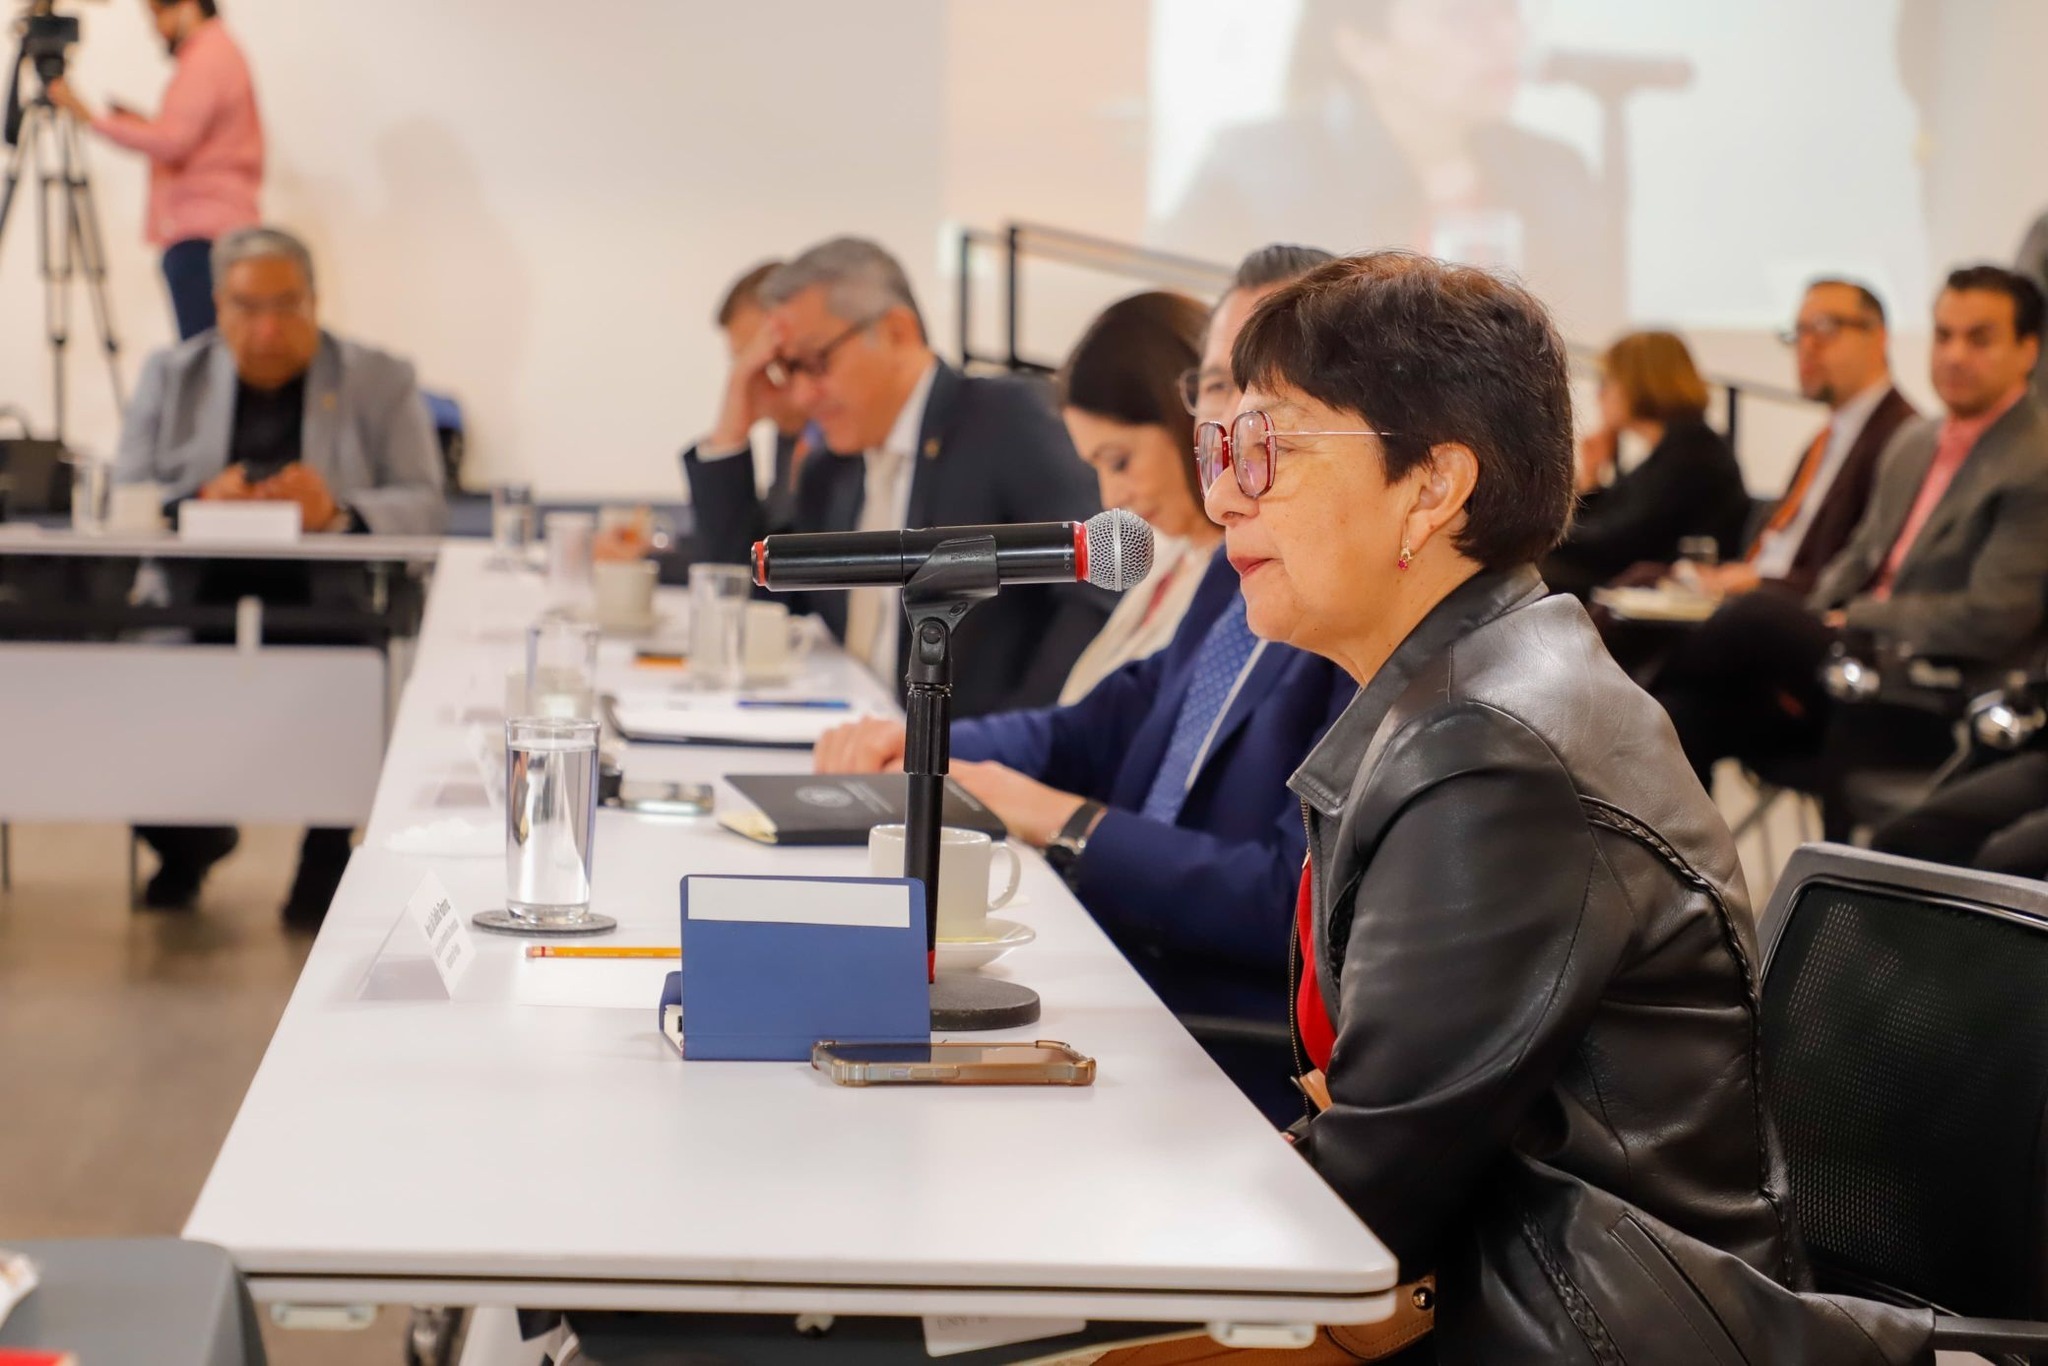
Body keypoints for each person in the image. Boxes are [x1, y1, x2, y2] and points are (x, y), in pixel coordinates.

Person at [1178, 249, 1796, 1358]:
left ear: (1432, 486)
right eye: (1221, 448)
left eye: (1268, 447)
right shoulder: (1481, 682)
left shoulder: (1489, 752)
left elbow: (1358, 1208)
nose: (1223, 492)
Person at [814, 244, 1351, 1125]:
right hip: (1123, 974)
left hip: (1200, 1042)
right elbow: (1106, 719)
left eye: (1267, 391)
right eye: (1220, 387)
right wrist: (928, 744)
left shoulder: (1347, 610)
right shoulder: (1237, 568)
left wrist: (1064, 820)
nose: (1230, 423)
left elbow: (1285, 905)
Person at [114, 225, 448, 923]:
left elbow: (426, 502)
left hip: (331, 610)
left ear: (315, 301)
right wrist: (196, 502)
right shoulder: (171, 375)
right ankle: (188, 843)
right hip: (193, 605)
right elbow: (127, 496)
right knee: (118, 693)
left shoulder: (379, 378)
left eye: (286, 306)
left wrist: (338, 513)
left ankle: (324, 859)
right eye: (247, 307)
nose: (267, 328)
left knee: (362, 693)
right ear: (218, 306)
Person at [1654, 265, 2048, 818]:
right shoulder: (1915, 442)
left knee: (1752, 615)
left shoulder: (2034, 460)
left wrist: (1855, 618)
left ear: (2028, 350)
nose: (1955, 355)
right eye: (1943, 335)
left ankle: (1614, 702)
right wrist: (1819, 619)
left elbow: (1992, 618)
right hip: (1849, 669)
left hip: (1933, 689)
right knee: (1681, 716)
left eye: (1979, 339)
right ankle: (1686, 871)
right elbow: (1858, 556)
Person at [683, 237, 1108, 717]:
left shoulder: (1003, 420)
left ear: (896, 331)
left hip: (968, 748)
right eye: (788, 370)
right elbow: (751, 590)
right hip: (854, 736)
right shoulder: (832, 469)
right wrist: (730, 427)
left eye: (815, 363)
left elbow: (1095, 589)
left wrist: (1010, 740)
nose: (800, 396)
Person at [1157, 0, 1621, 333]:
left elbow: (1585, 334)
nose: (1507, 37)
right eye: (1462, 17)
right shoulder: (1254, 170)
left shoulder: (1556, 172)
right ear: (1361, 47)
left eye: (1509, 11)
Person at [48, 0, 262, 340]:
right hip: (216, 231)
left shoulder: (207, 57)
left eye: (158, 15)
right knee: (211, 353)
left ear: (188, 7)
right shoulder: (219, 51)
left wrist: (88, 117)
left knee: (202, 355)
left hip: (203, 236)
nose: (155, 29)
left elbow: (172, 142)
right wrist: (145, 125)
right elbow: (187, 139)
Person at [1053, 289, 1215, 703]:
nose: (1110, 498)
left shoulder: (1241, 584)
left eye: (1119, 462)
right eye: (1098, 468)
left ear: (1186, 421)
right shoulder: (1170, 557)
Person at [1541, 330, 1751, 597]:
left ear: (1637, 384)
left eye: (1607, 381)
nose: (1599, 394)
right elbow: (1613, 526)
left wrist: (1541, 535)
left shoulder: (1691, 455)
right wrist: (1591, 478)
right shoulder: (1675, 447)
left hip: (1664, 594)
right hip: (1638, 580)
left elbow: (1615, 543)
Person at [681, 261, 824, 552]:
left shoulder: (846, 443)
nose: (750, 385)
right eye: (743, 366)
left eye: (761, 362)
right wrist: (729, 434)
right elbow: (742, 560)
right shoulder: (791, 441)